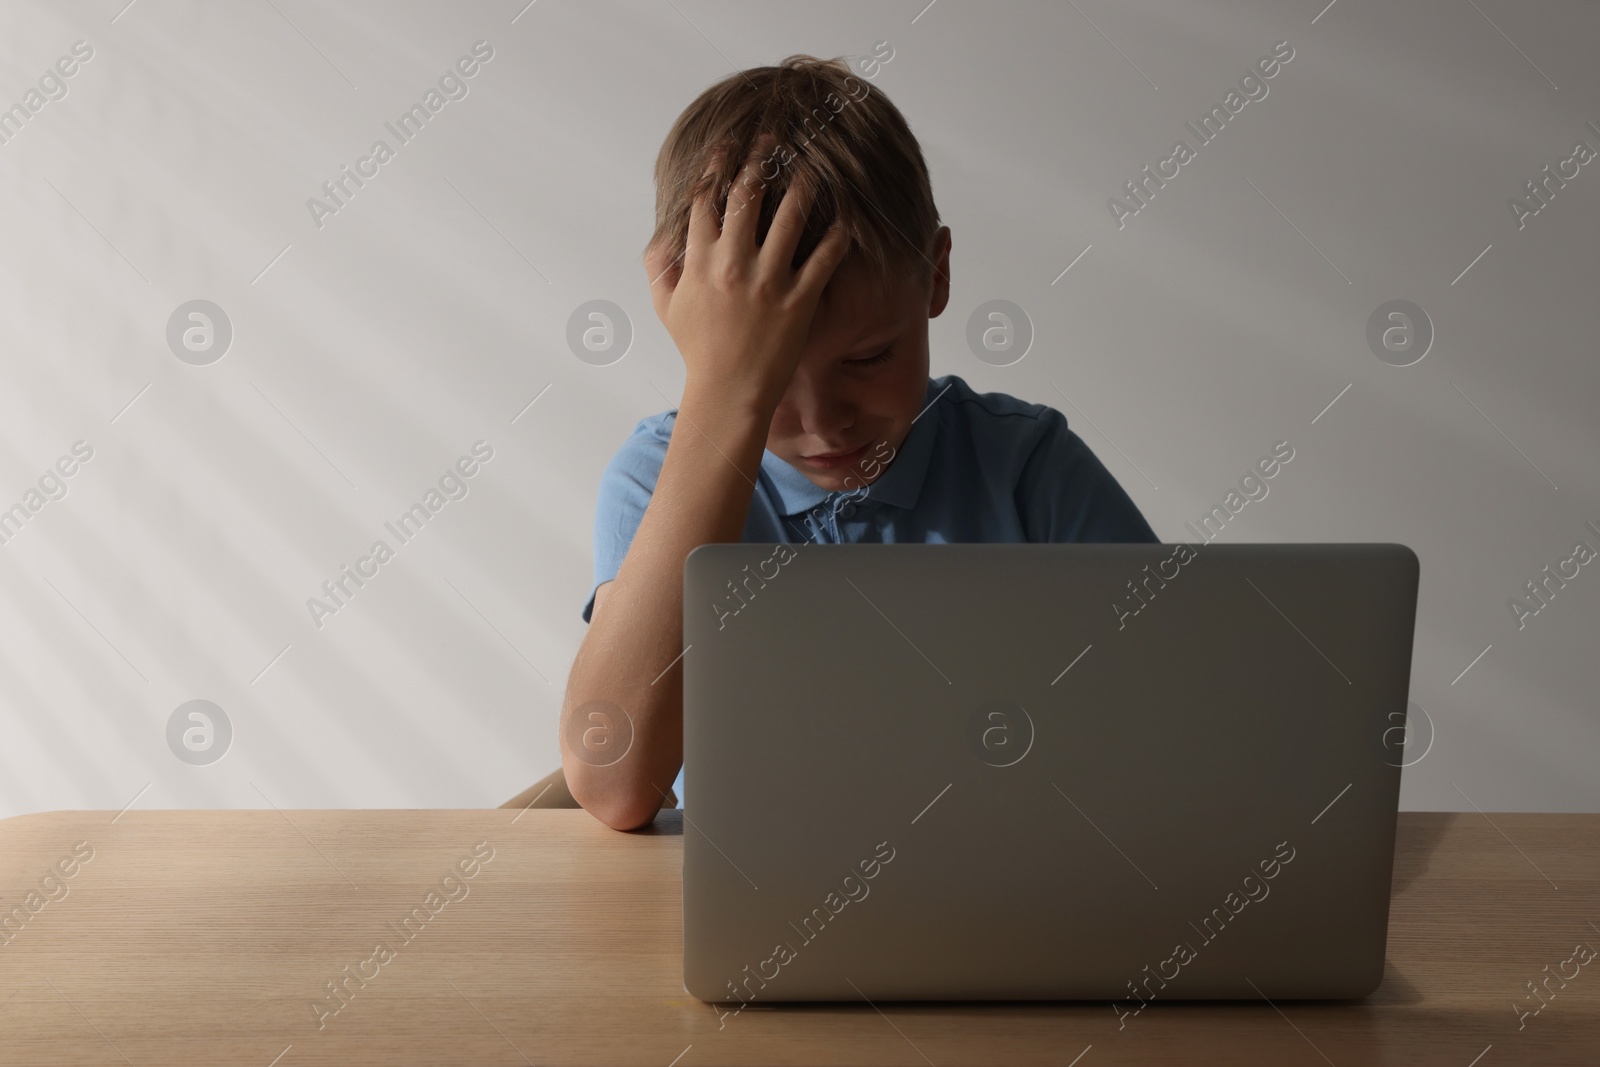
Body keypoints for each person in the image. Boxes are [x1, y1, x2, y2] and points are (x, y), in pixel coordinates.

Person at [561, 55, 1156, 831]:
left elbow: (1179, 720)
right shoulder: (654, 480)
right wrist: (723, 396)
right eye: (769, 381)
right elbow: (616, 782)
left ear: (937, 274)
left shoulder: (1024, 470)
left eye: (869, 358)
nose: (824, 423)